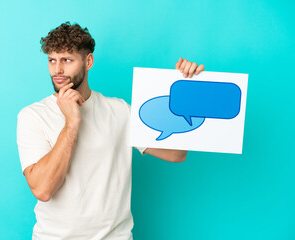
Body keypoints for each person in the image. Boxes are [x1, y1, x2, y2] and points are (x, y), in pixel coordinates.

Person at [16, 21, 204, 240]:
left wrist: (188, 90)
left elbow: (177, 154)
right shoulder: (33, 115)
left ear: (88, 61)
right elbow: (42, 190)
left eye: (67, 60)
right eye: (52, 60)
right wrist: (71, 123)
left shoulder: (120, 111)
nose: (57, 70)